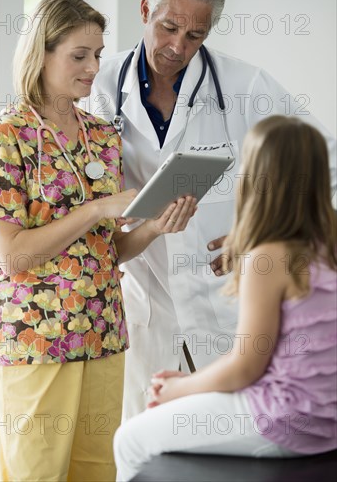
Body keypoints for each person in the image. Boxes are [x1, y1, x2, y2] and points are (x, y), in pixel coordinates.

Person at [88, 0, 337, 420]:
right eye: (168, 28)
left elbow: (323, 160)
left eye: (195, 35)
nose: (178, 47)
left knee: (230, 437)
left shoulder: (246, 86)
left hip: (221, 295)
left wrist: (263, 237)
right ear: (145, 9)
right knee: (148, 440)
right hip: (147, 296)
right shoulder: (101, 85)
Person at [0, 0, 196, 482]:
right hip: (37, 339)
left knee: (96, 472)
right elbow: (14, 257)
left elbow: (110, 252)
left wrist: (156, 225)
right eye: (79, 55)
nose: (95, 67)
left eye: (97, 54)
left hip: (103, 334)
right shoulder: (3, 139)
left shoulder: (102, 136)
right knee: (38, 475)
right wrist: (95, 208)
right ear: (41, 54)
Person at [113, 115, 337, 481]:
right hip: (326, 419)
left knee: (129, 440)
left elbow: (246, 366)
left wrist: (178, 389)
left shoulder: (267, 257)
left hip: (285, 421)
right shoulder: (326, 244)